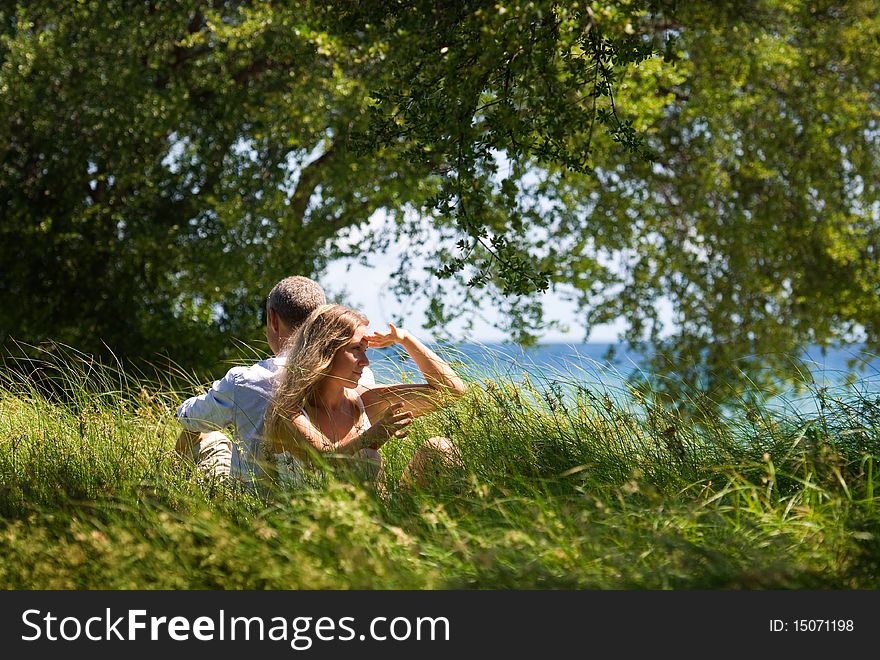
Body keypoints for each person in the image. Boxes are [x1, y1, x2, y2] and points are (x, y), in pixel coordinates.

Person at [175, 276, 374, 487]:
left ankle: (167, 495)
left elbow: (190, 417)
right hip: (335, 496)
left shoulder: (245, 380)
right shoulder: (357, 376)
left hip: (249, 500)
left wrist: (184, 411)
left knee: (203, 433)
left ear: (273, 319)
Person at [264, 304, 467, 491]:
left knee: (440, 448)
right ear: (326, 350)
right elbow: (326, 459)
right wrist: (373, 436)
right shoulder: (288, 410)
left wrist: (405, 339)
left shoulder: (363, 400)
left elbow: (451, 391)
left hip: (383, 517)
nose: (366, 361)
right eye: (356, 349)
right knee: (364, 459)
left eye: (366, 350)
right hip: (316, 524)